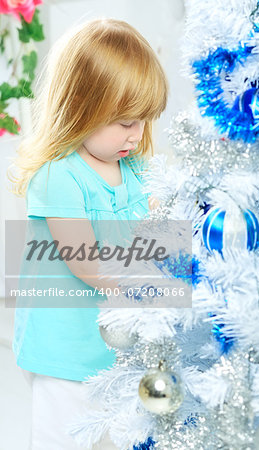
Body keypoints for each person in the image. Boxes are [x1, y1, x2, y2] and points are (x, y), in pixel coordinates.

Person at [8, 17, 168, 449]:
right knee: (62, 440)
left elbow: (160, 228)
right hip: (64, 351)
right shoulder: (59, 175)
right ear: (81, 107)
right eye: (124, 122)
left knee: (125, 435)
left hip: (118, 348)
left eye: (144, 121)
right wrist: (150, 277)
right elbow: (85, 261)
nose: (136, 135)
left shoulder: (134, 169)